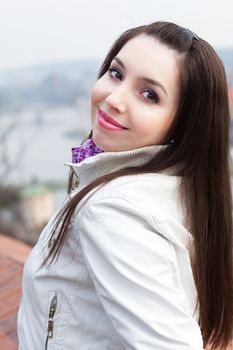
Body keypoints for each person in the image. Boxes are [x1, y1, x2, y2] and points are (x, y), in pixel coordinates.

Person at [17, 21, 233, 350]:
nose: (114, 98)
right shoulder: (187, 187)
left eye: (149, 94)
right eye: (117, 73)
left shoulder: (113, 211)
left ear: (182, 123)